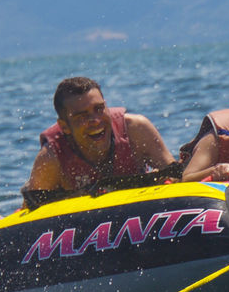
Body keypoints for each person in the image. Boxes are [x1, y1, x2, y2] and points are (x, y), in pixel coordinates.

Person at [22, 76, 176, 207]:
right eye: (82, 116)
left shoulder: (136, 130)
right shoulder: (51, 157)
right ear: (64, 127)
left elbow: (176, 177)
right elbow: (31, 213)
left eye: (99, 109)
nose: (95, 120)